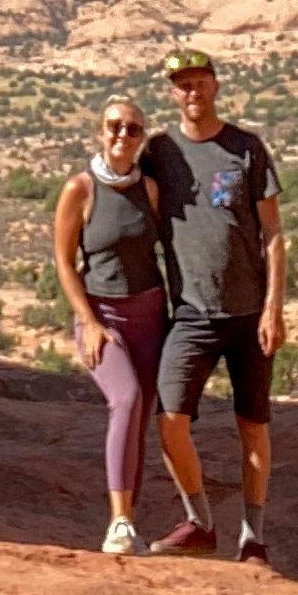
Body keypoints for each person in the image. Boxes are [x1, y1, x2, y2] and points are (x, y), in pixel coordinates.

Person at [140, 46, 287, 565]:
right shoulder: (159, 151)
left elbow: (272, 233)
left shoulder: (245, 147)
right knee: (170, 420)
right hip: (191, 314)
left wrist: (274, 309)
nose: (192, 91)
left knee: (253, 424)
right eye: (182, 83)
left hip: (249, 314)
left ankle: (254, 536)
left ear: (216, 85)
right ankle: (200, 521)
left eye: (200, 80)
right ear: (172, 92)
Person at [52, 96, 170, 556]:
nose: (123, 136)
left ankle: (130, 523)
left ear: (142, 138)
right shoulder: (80, 190)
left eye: (134, 129)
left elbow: (172, 252)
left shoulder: (151, 190)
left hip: (151, 316)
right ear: (100, 132)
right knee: (126, 399)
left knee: (140, 419)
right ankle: (118, 523)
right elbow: (63, 262)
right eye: (115, 127)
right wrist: (89, 322)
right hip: (103, 317)